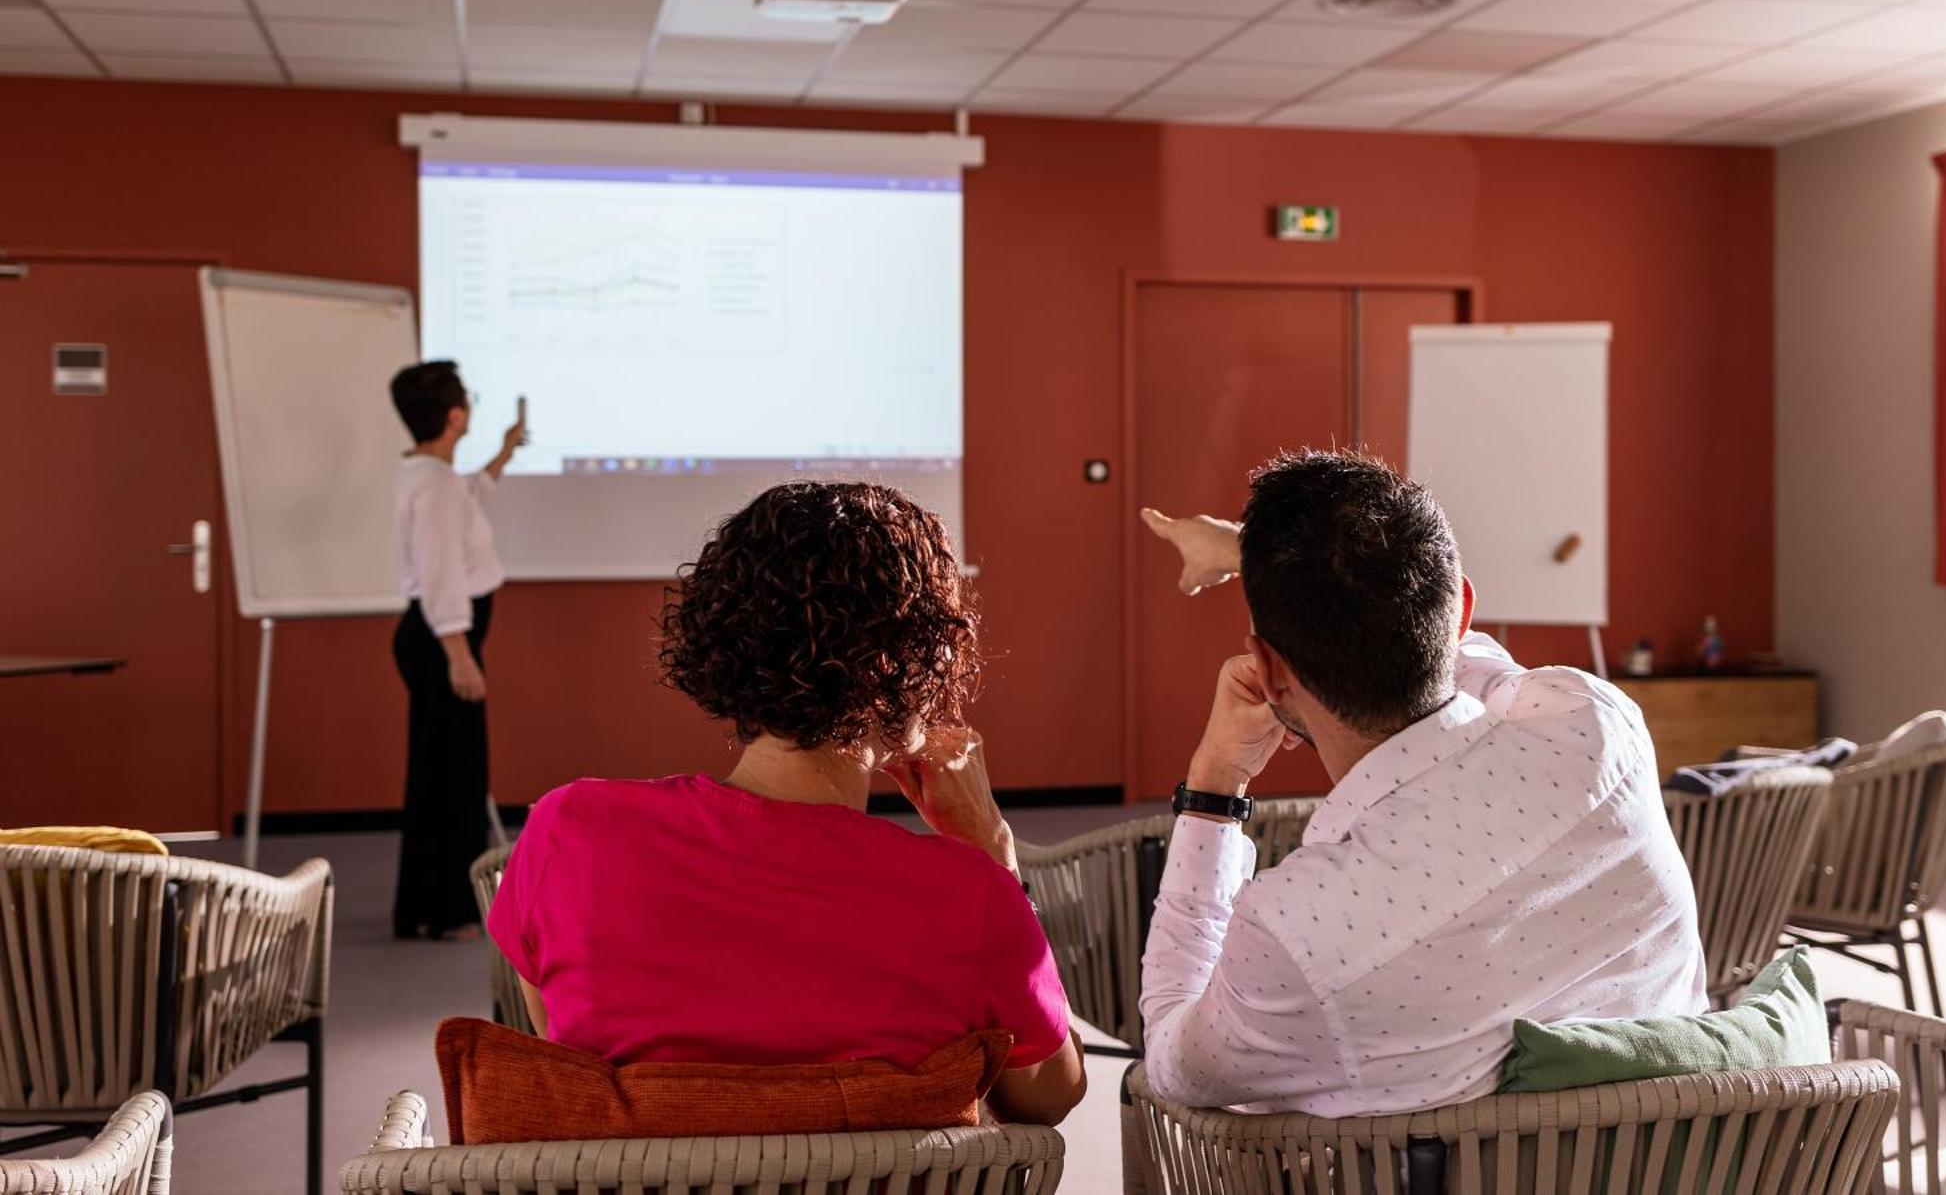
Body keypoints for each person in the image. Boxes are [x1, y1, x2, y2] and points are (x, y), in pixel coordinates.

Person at [484, 481, 1087, 1125]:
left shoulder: (567, 830)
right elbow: (1047, 1098)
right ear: (915, 660)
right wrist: (993, 851)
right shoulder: (972, 894)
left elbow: (567, 1051)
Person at [1137, 449, 1705, 1116]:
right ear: (1461, 605)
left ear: (1266, 669)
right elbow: (1455, 656)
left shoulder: (1295, 933)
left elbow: (1174, 1059)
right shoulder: (1597, 728)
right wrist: (1255, 558)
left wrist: (1214, 786)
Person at [389, 361, 526, 940]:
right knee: (456, 777)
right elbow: (441, 574)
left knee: (438, 772)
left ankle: (422, 908)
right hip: (445, 640)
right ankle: (449, 911)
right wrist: (461, 656)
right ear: (455, 416)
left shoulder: (428, 474)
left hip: (434, 639)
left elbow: (470, 491)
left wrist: (503, 453)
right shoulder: (436, 486)